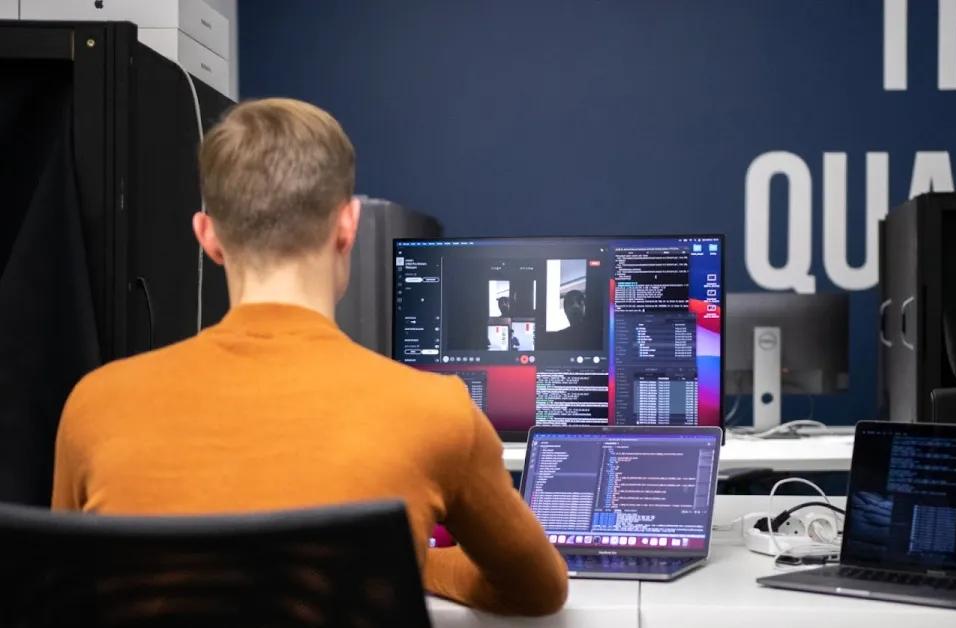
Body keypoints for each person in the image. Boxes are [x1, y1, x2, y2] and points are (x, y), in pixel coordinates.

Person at [50, 98, 568, 616]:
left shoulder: (95, 405)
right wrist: (413, 562)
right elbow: (538, 589)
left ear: (207, 237)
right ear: (348, 226)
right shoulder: (439, 412)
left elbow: (63, 600)